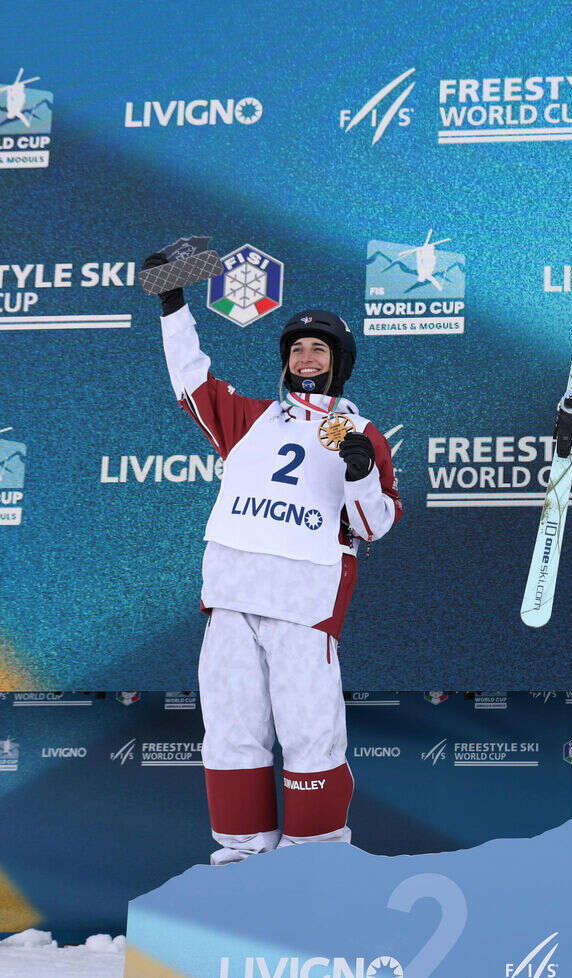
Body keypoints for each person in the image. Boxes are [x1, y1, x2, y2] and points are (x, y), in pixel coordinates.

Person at [143, 252, 402, 865]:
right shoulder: (251, 418)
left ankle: (315, 850)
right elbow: (190, 379)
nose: (306, 359)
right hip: (232, 599)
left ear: (339, 363)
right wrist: (172, 302)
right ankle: (242, 847)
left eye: (319, 350)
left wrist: (362, 473)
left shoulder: (360, 431)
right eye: (297, 350)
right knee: (231, 729)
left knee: (311, 730)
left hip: (303, 607)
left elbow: (374, 524)